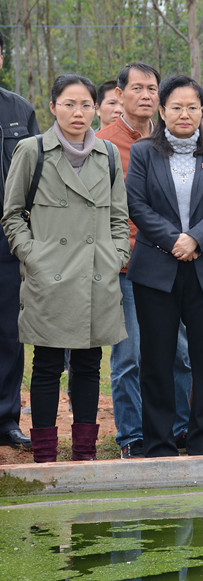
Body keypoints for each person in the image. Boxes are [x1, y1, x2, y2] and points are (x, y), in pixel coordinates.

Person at [1, 74, 130, 462]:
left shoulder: (107, 154)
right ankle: (44, 455)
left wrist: (115, 257)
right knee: (47, 365)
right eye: (69, 104)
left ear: (96, 108)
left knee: (89, 365)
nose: (78, 112)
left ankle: (84, 454)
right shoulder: (32, 150)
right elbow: (12, 214)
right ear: (53, 106)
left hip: (95, 276)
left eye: (86, 105)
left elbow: (119, 217)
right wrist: (33, 257)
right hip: (49, 278)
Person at [125, 74, 203, 457]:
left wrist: (194, 239)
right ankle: (159, 442)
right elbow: (136, 204)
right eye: (176, 107)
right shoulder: (143, 153)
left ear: (202, 111)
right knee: (156, 360)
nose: (184, 114)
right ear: (162, 111)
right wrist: (174, 240)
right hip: (156, 270)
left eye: (192, 107)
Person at [97, 63, 193, 458]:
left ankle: (180, 428)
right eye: (137, 88)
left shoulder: (174, 139)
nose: (146, 95)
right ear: (119, 95)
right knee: (130, 356)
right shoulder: (102, 145)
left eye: (152, 88)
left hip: (170, 263)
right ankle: (133, 436)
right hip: (125, 266)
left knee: (179, 352)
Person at [0, 31, 39, 450]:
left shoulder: (19, 110)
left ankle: (6, 418)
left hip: (7, 243)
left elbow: (37, 176)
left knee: (9, 335)